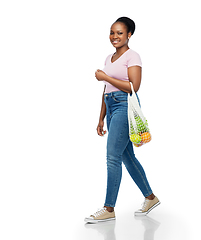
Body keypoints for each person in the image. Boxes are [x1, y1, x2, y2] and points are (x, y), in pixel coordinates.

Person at [85, 17, 160, 224]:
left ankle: (109, 208)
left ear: (129, 35)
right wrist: (101, 117)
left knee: (112, 157)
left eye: (119, 33)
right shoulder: (108, 58)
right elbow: (106, 90)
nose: (114, 36)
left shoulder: (133, 56)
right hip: (111, 106)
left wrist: (105, 77)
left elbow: (133, 87)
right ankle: (151, 198)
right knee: (127, 156)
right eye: (112, 32)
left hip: (124, 107)